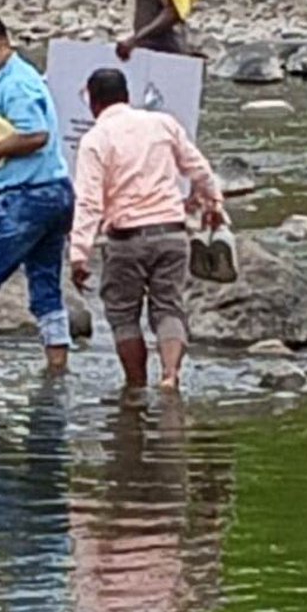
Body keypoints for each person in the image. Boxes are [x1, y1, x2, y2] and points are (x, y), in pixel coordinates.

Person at [69, 68, 223, 392]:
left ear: (93, 104)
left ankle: (136, 385)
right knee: (169, 306)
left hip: (126, 239)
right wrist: (214, 203)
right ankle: (170, 376)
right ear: (127, 95)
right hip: (171, 232)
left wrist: (79, 254)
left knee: (124, 316)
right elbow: (199, 168)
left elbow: (89, 203)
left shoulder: (95, 139)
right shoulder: (162, 123)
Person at [0, 14, 75, 383]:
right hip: (54, 193)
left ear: (5, 43)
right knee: (45, 288)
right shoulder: (15, 78)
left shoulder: (15, 84)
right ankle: (58, 370)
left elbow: (35, 134)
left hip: (26, 199)